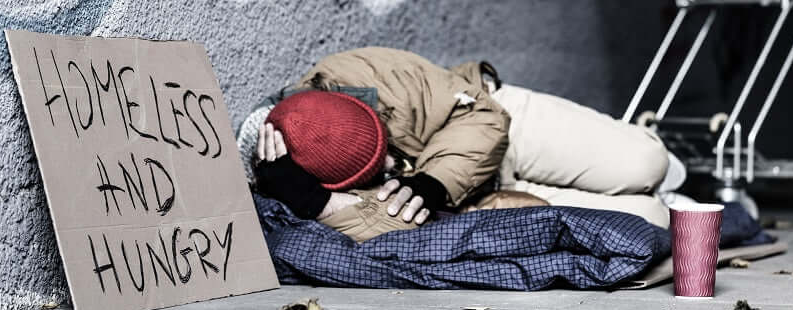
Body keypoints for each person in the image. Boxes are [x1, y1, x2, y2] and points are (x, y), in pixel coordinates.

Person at [241, 47, 677, 242]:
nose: (391, 161)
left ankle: (665, 173)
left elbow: (484, 116)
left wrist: (432, 181)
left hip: (497, 124)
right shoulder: (306, 173)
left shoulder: (360, 72)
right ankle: (667, 199)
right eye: (378, 165)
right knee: (652, 219)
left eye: (383, 144)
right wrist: (317, 203)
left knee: (646, 161)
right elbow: (390, 228)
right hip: (477, 200)